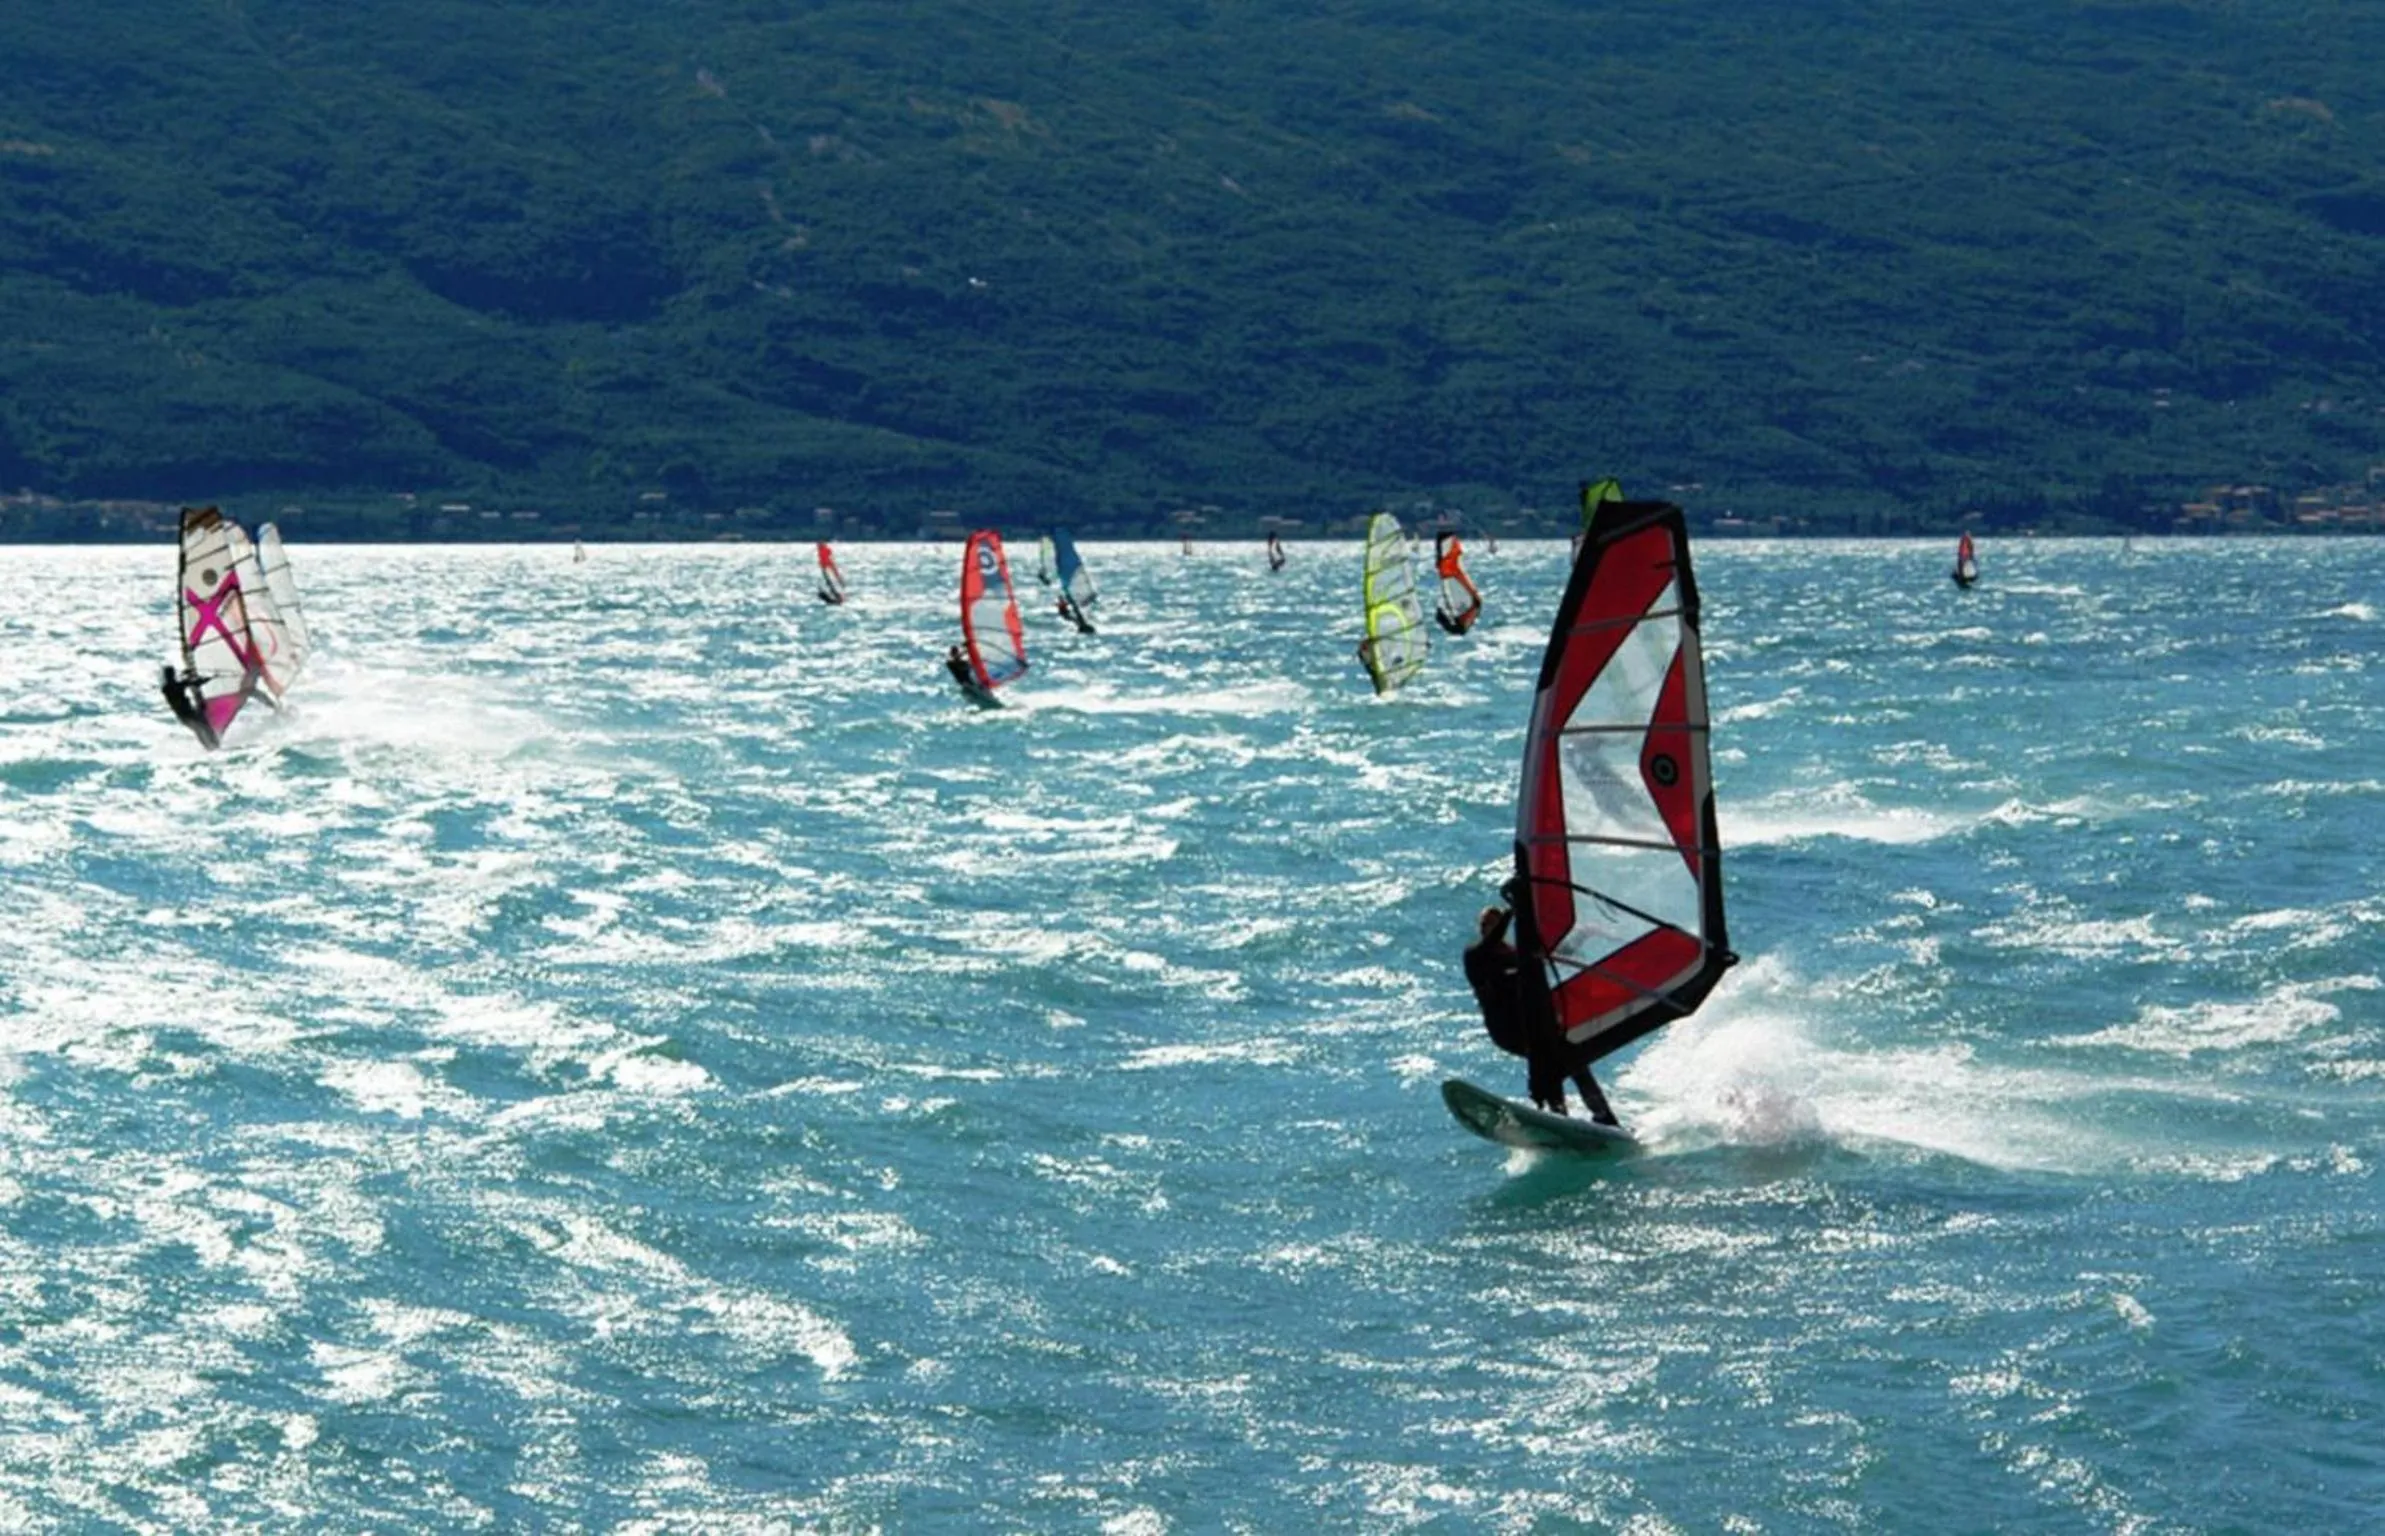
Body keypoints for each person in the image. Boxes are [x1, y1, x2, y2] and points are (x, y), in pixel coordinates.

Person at [1464, 903, 1617, 1124]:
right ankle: (1557, 1114)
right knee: (1545, 1064)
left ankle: (1603, 1116)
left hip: (1535, 1024)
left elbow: (1557, 952)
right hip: (1507, 1030)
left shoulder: (1520, 955)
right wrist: (1513, 910)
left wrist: (1585, 933)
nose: (1485, 927)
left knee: (1574, 1061)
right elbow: (1491, 943)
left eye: (1491, 922)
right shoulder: (1475, 955)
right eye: (1484, 923)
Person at [159, 664, 218, 749]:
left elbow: (189, 682)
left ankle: (213, 745)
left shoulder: (167, 687)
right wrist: (211, 678)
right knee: (200, 728)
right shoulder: (170, 687)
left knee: (203, 726)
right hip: (186, 716)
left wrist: (186, 675)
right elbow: (193, 683)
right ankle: (212, 747)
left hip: (187, 714)